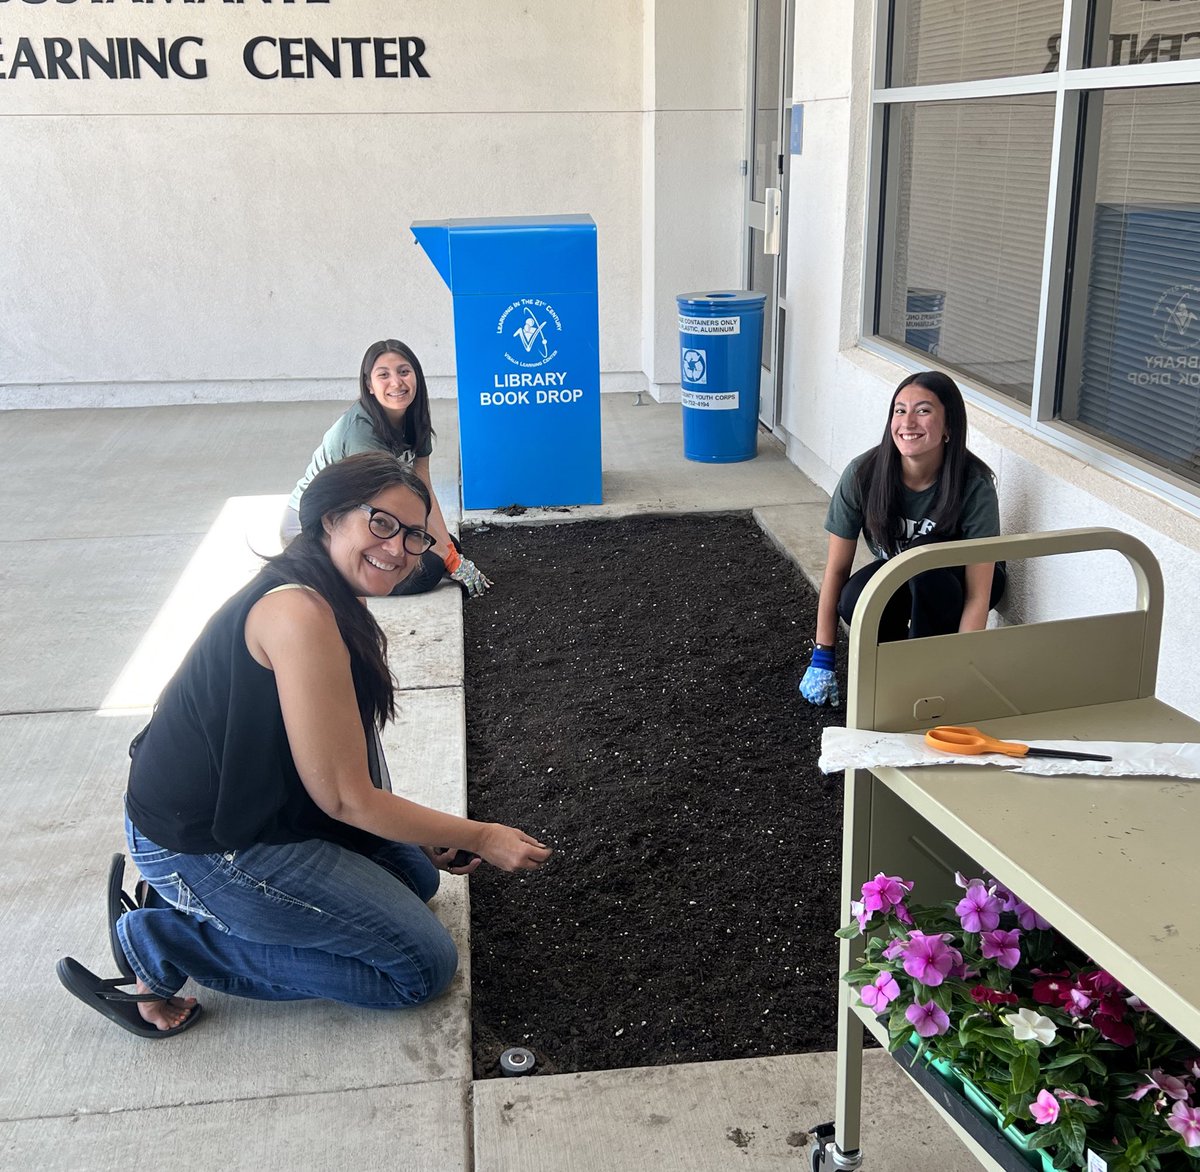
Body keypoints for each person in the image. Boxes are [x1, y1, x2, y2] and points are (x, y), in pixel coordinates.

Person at [57, 453, 550, 1037]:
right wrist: (480, 836)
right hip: (207, 842)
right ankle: (164, 940)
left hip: (265, 807)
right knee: (419, 969)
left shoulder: (337, 593)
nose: (398, 549)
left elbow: (350, 754)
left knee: (418, 879)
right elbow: (344, 797)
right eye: (382, 523)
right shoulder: (297, 612)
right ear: (330, 517)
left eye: (415, 535)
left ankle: (191, 910)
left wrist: (420, 832)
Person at [798, 371, 1006, 706]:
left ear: (949, 426)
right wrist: (823, 657)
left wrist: (963, 670)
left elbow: (978, 595)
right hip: (903, 572)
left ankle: (923, 676)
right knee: (856, 598)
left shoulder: (974, 483)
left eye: (923, 411)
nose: (907, 422)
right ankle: (893, 673)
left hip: (961, 585)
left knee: (923, 560)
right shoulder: (863, 474)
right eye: (899, 410)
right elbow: (836, 570)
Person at [282, 339, 492, 598]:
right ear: (369, 385)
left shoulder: (414, 418)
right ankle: (331, 574)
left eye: (404, 372)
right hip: (317, 527)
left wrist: (450, 553)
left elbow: (423, 490)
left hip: (364, 515)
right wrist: (447, 560)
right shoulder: (361, 433)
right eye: (384, 375)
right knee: (428, 569)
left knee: (446, 545)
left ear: (417, 376)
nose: (396, 383)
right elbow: (381, 509)